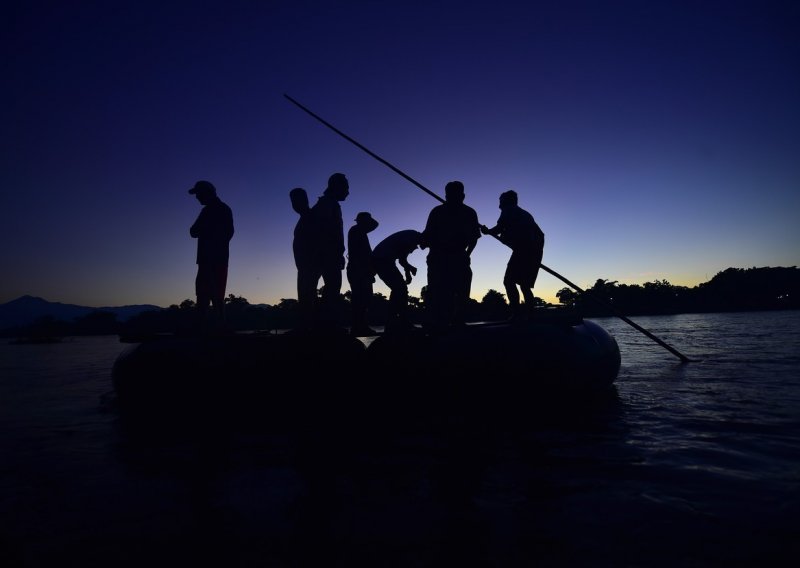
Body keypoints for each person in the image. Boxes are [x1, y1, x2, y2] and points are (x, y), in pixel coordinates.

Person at [292, 172, 350, 331]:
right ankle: (324, 325)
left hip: (325, 255)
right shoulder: (326, 205)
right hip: (324, 255)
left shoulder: (328, 205)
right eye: (346, 187)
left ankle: (320, 323)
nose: (348, 192)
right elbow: (325, 232)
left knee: (326, 288)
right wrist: (334, 254)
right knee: (328, 287)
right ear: (337, 187)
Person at [420, 181, 481, 331]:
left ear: (463, 195)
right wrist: (423, 241)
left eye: (456, 194)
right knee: (437, 291)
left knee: (461, 290)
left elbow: (473, 239)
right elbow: (427, 235)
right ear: (446, 195)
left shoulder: (469, 213)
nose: (452, 197)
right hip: (438, 257)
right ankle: (436, 321)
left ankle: (457, 320)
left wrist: (466, 254)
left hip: (459, 256)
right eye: (450, 194)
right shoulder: (437, 212)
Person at [480, 190, 545, 320]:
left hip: (524, 250)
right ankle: (530, 315)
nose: (499, 204)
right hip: (534, 251)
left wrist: (488, 232)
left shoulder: (509, 210)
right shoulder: (524, 214)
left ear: (506, 201)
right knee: (524, 285)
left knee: (508, 281)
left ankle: (516, 314)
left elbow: (500, 228)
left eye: (501, 201)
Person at [188, 180, 234, 329]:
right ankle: (204, 327)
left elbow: (227, 233)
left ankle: (220, 328)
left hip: (217, 260)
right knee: (203, 295)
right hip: (205, 260)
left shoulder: (221, 209)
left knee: (217, 296)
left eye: (199, 194)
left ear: (207, 193)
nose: (197, 197)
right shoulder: (208, 211)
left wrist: (208, 231)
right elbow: (193, 231)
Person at [372, 229, 426, 333]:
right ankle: (400, 322)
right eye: (427, 245)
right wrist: (410, 269)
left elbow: (402, 258)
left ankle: (395, 322)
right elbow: (402, 259)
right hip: (382, 260)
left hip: (384, 260)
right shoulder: (412, 238)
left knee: (399, 289)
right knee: (400, 289)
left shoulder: (412, 236)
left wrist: (408, 272)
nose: (424, 248)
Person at [346, 212, 379, 336]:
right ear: (364, 221)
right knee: (361, 299)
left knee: (364, 299)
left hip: (360, 269)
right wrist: (368, 270)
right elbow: (375, 224)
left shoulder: (358, 231)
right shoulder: (357, 230)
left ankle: (360, 326)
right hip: (358, 269)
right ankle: (359, 326)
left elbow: (375, 224)